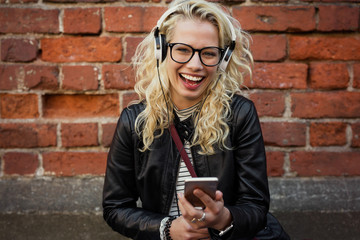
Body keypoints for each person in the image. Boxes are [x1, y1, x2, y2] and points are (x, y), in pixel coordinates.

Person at [102, 0, 270, 239]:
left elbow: (256, 205)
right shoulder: (134, 121)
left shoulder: (240, 115)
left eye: (209, 53)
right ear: (162, 50)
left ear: (222, 60)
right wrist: (168, 229)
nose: (195, 65)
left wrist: (224, 219)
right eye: (182, 49)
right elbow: (115, 208)